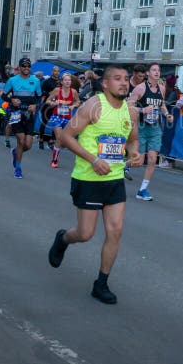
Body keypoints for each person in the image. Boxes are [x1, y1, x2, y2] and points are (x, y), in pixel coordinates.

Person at [47, 65, 143, 304]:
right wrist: (93, 159)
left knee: (115, 231)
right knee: (85, 233)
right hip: (88, 177)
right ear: (106, 84)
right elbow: (67, 137)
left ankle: (101, 283)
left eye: (126, 79)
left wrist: (135, 153)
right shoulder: (93, 106)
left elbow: (133, 140)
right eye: (117, 79)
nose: (124, 83)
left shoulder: (131, 112)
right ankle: (63, 239)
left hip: (114, 178)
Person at [128, 62, 174, 201]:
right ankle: (121, 166)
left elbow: (162, 105)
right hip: (141, 126)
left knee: (153, 159)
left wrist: (167, 115)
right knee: (139, 161)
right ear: (148, 73)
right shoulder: (140, 88)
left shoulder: (161, 88)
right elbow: (128, 105)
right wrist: (142, 110)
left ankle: (142, 190)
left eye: (158, 70)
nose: (157, 72)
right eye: (154, 70)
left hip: (154, 127)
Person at [4, 58, 42, 179]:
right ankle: (18, 168)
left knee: (28, 145)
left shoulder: (35, 81)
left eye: (28, 66)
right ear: (19, 67)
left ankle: (15, 152)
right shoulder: (12, 80)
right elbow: (3, 95)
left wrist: (35, 105)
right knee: (21, 140)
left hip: (29, 115)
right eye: (24, 66)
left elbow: (40, 98)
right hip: (16, 113)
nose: (26, 69)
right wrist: (11, 100)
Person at [44, 72, 80, 168]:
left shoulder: (73, 92)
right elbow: (47, 100)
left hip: (67, 118)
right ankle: (55, 160)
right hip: (57, 117)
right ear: (62, 82)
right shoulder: (57, 90)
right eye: (66, 80)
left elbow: (78, 101)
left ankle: (55, 147)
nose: (68, 82)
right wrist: (53, 103)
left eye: (69, 80)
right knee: (59, 138)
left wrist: (74, 105)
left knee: (63, 142)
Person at [38, 66, 62, 149]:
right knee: (45, 122)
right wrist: (49, 93)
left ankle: (52, 141)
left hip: (57, 105)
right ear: (52, 71)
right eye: (55, 71)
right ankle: (41, 140)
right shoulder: (47, 81)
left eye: (58, 71)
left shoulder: (61, 82)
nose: (56, 73)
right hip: (47, 105)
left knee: (56, 123)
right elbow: (42, 92)